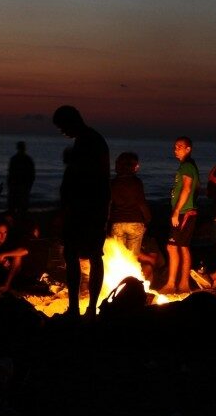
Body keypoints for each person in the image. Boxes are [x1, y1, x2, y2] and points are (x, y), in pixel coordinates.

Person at [52, 105, 110, 320]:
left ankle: (83, 309)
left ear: (71, 121)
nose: (62, 132)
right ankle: (82, 309)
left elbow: (86, 178)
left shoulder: (89, 141)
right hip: (90, 208)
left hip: (86, 209)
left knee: (87, 255)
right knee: (85, 255)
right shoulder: (89, 140)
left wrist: (68, 208)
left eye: (62, 127)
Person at [160, 136, 200, 294]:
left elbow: (187, 188)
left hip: (184, 212)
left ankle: (176, 284)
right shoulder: (187, 165)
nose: (175, 149)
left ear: (188, 149)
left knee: (174, 247)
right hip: (187, 211)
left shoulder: (187, 166)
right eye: (175, 146)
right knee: (180, 247)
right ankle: (180, 284)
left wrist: (176, 211)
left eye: (179, 147)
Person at [109, 152, 151, 258]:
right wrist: (148, 218)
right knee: (132, 258)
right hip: (135, 221)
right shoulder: (136, 182)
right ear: (131, 166)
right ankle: (131, 274)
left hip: (117, 222)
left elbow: (109, 204)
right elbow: (141, 202)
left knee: (118, 257)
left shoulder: (113, 183)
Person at [7, 141, 36, 218]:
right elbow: (32, 174)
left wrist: (10, 184)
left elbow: (10, 173)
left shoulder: (14, 159)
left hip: (18, 186)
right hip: (22, 186)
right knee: (22, 207)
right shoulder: (28, 159)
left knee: (14, 207)